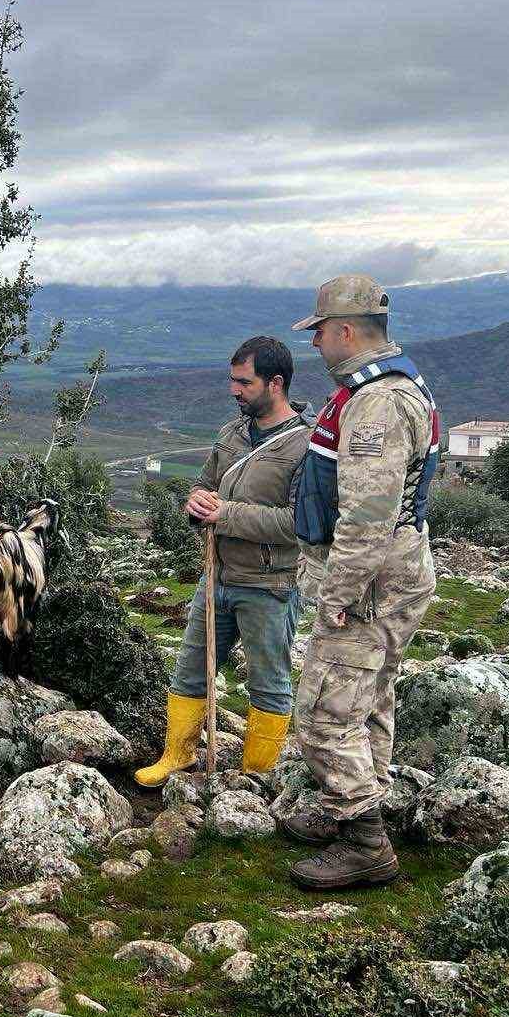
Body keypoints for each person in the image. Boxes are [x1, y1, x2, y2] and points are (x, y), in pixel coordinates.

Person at [282, 274, 440, 891]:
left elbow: (369, 514)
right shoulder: (384, 386)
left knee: (325, 707)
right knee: (368, 697)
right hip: (393, 573)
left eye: (319, 332)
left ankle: (363, 839)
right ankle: (351, 808)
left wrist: (337, 597)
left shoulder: (375, 402)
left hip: (369, 581)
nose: (316, 344)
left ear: (345, 331)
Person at [135, 337, 312, 788]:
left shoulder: (305, 447)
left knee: (268, 681)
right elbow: (207, 484)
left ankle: (257, 777)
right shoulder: (232, 434)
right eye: (232, 380)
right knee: (190, 669)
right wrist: (196, 502)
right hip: (216, 574)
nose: (234, 390)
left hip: (270, 584)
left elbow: (300, 523)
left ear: (276, 383)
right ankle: (177, 755)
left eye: (243, 381)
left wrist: (226, 515)